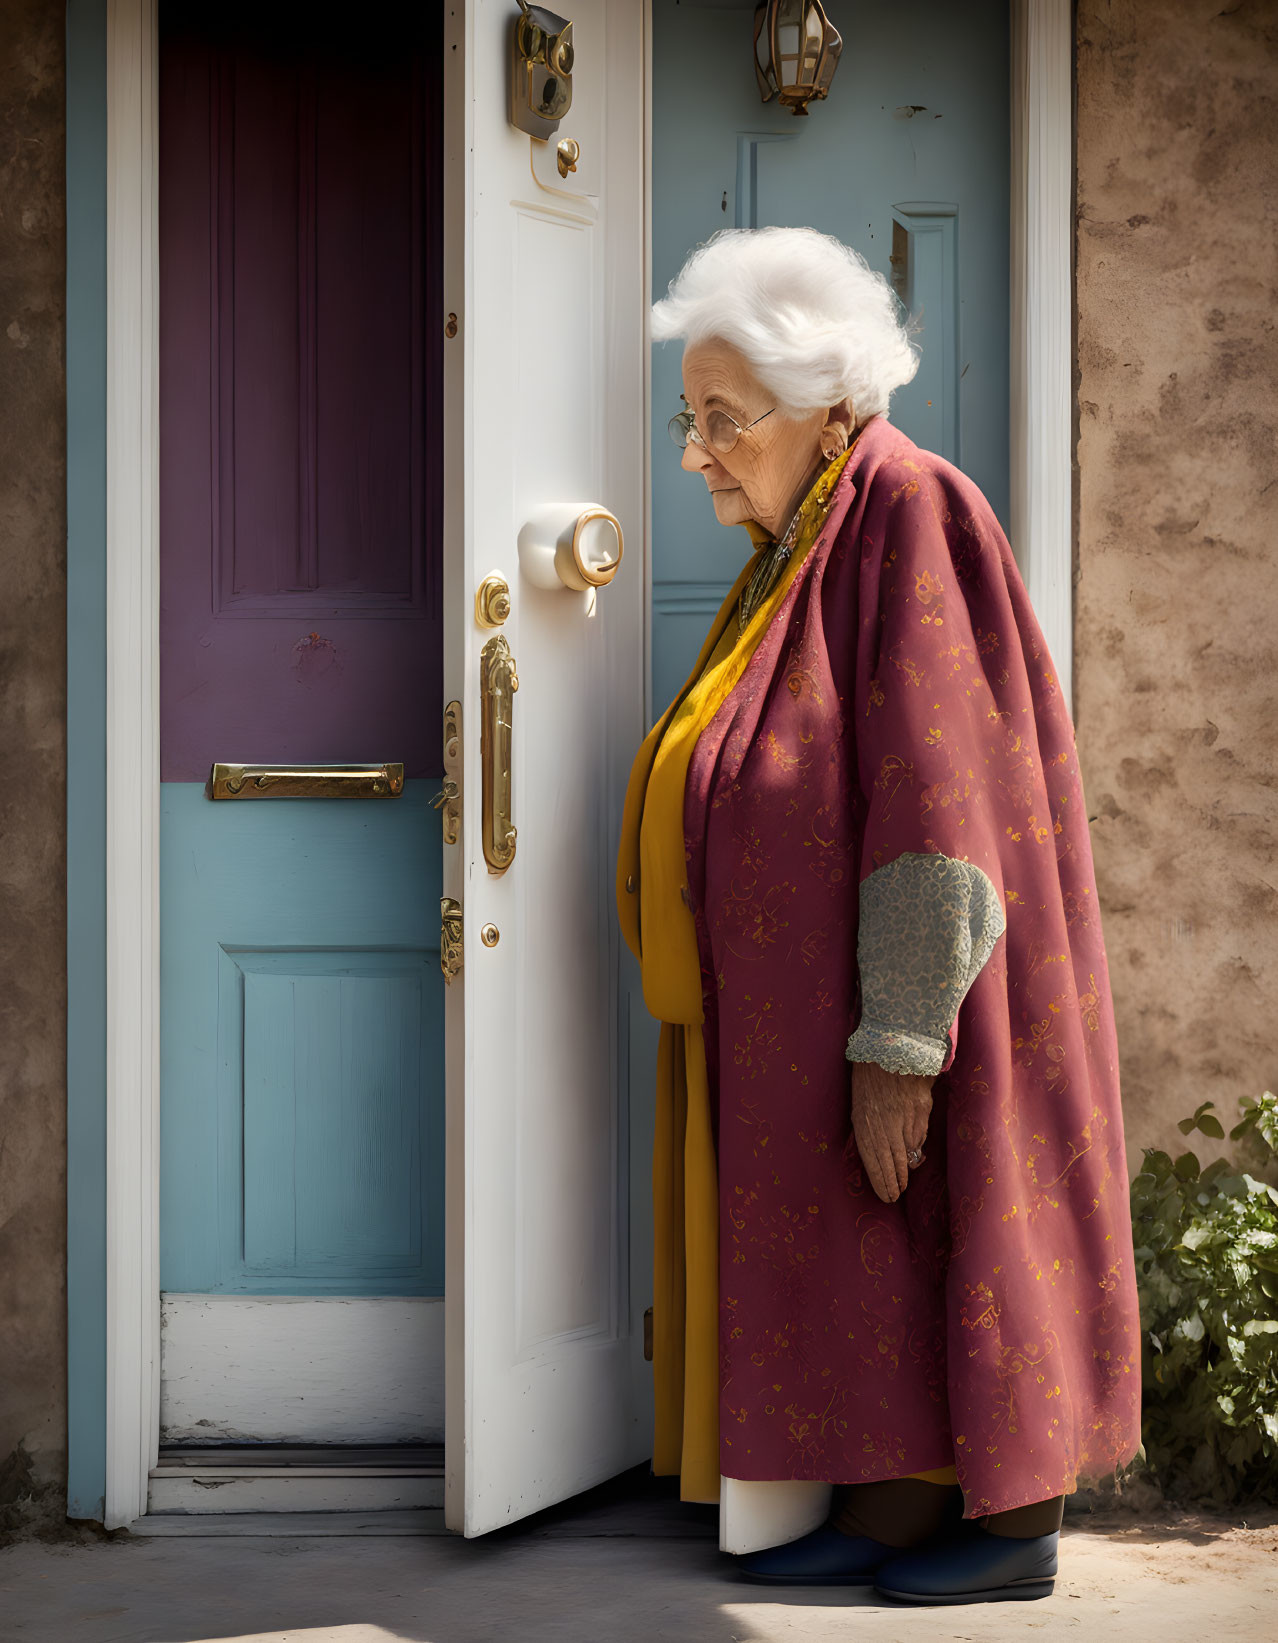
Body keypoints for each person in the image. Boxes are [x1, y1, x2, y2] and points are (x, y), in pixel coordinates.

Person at [615, 226, 1141, 1605]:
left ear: (830, 407)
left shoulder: (907, 509)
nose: (695, 456)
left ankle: (1011, 1520)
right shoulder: (817, 529)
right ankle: (895, 1500)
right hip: (832, 991)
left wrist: (900, 1040)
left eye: (723, 422)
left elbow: (940, 798)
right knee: (874, 1240)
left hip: (924, 991)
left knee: (947, 1210)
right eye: (692, 419)